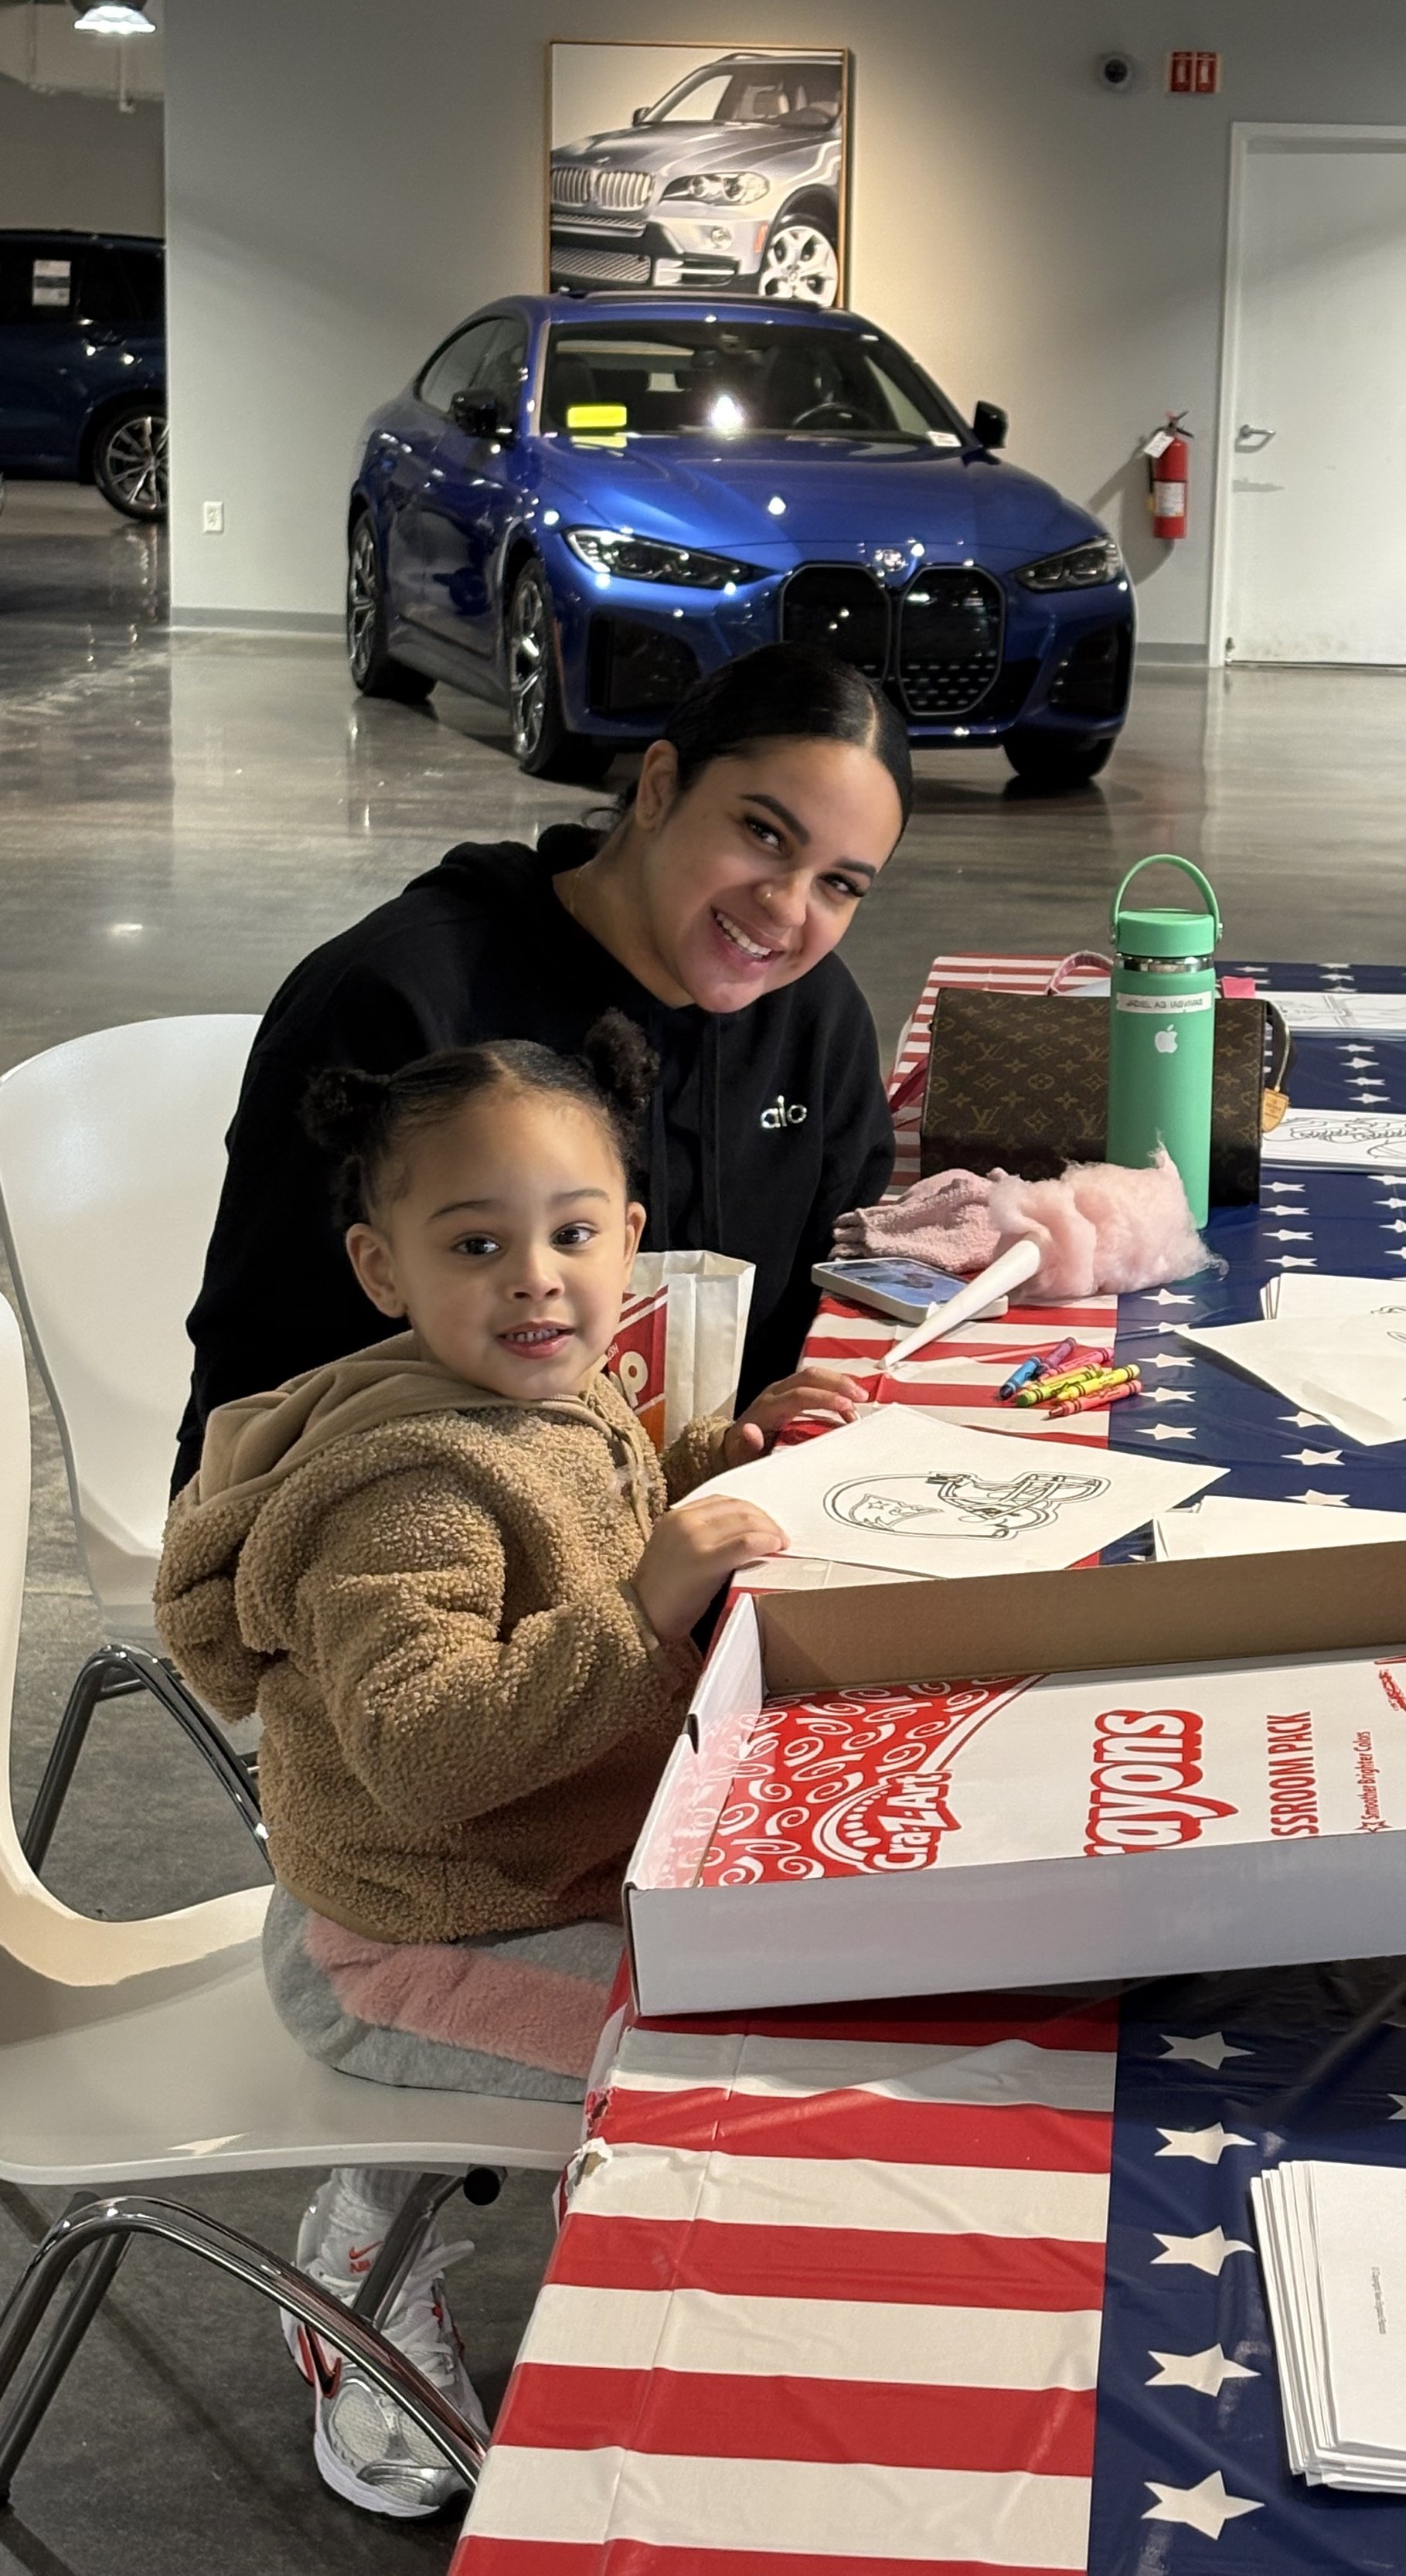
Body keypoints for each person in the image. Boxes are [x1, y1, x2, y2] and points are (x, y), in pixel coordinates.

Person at [155, 1014, 843, 2520]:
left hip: (534, 1875)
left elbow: (609, 1515)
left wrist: (728, 1460)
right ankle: (354, 2278)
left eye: (571, 1230)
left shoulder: (558, 1384)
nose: (534, 1274)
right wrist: (648, 1597)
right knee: (700, 2069)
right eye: (475, 1243)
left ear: (628, 1238)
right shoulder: (409, 1489)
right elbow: (423, 1749)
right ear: (381, 1271)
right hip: (408, 1938)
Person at [173, 641, 909, 1491]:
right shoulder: (398, 998)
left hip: (687, 1513)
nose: (785, 909)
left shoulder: (813, 1019)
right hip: (399, 1541)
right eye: (762, 832)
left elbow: (830, 1302)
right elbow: (268, 1384)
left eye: (840, 885)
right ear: (661, 785)